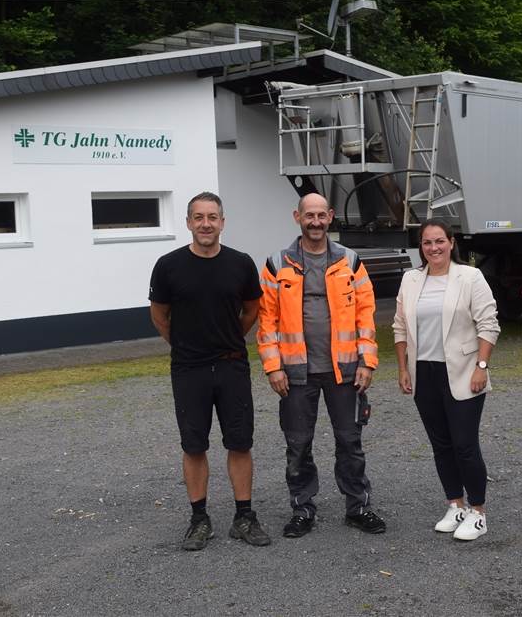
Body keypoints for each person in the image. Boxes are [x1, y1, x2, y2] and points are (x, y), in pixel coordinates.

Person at [257, 193, 384, 538]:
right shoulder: (276, 263)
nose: (315, 222)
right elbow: (267, 322)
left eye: (321, 215)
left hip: (344, 370)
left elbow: (365, 315)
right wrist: (274, 368)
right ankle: (302, 509)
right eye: (308, 215)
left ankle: (358, 506)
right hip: (295, 373)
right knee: (298, 445)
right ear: (297, 216)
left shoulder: (350, 261)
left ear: (330, 217)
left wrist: (367, 362)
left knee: (350, 441)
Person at [149, 191, 271, 551]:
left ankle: (244, 516)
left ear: (222, 222)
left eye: (212, 217)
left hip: (232, 365)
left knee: (240, 442)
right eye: (198, 217)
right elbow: (159, 316)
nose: (206, 224)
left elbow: (252, 309)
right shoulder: (168, 265)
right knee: (194, 445)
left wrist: (230, 338)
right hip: (189, 369)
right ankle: (199, 519)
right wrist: (187, 345)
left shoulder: (241, 263)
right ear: (188, 222)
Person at [393, 219, 500, 541]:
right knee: (441, 445)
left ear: (451, 243)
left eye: (439, 241)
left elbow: (489, 324)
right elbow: (399, 327)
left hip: (464, 370)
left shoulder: (470, 277)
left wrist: (481, 366)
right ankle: (456, 503)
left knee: (465, 445)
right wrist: (402, 368)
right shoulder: (411, 280)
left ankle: (478, 511)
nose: (434, 248)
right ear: (421, 247)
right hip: (424, 372)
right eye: (427, 243)